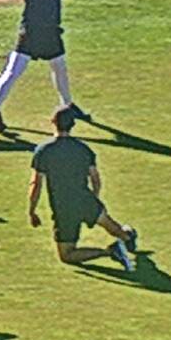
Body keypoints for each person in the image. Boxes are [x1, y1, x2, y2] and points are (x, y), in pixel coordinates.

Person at [27, 105, 138, 270]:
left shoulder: (44, 151)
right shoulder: (83, 149)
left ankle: (110, 252)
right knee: (110, 225)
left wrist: (32, 211)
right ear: (73, 125)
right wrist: (94, 199)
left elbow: (36, 184)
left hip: (64, 208)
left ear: (53, 122)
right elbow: (95, 179)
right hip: (85, 199)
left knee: (67, 255)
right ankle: (127, 236)